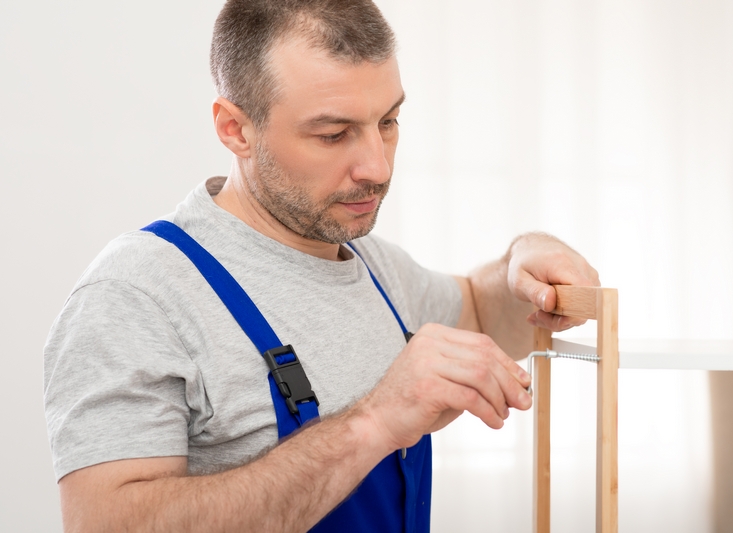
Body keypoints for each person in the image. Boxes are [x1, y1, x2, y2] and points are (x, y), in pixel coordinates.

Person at [44, 0, 599, 531]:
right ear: (236, 129)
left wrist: (518, 264)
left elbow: (480, 311)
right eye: (333, 134)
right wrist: (374, 423)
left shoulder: (373, 267)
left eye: (388, 121)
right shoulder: (136, 295)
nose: (377, 168)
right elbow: (105, 524)